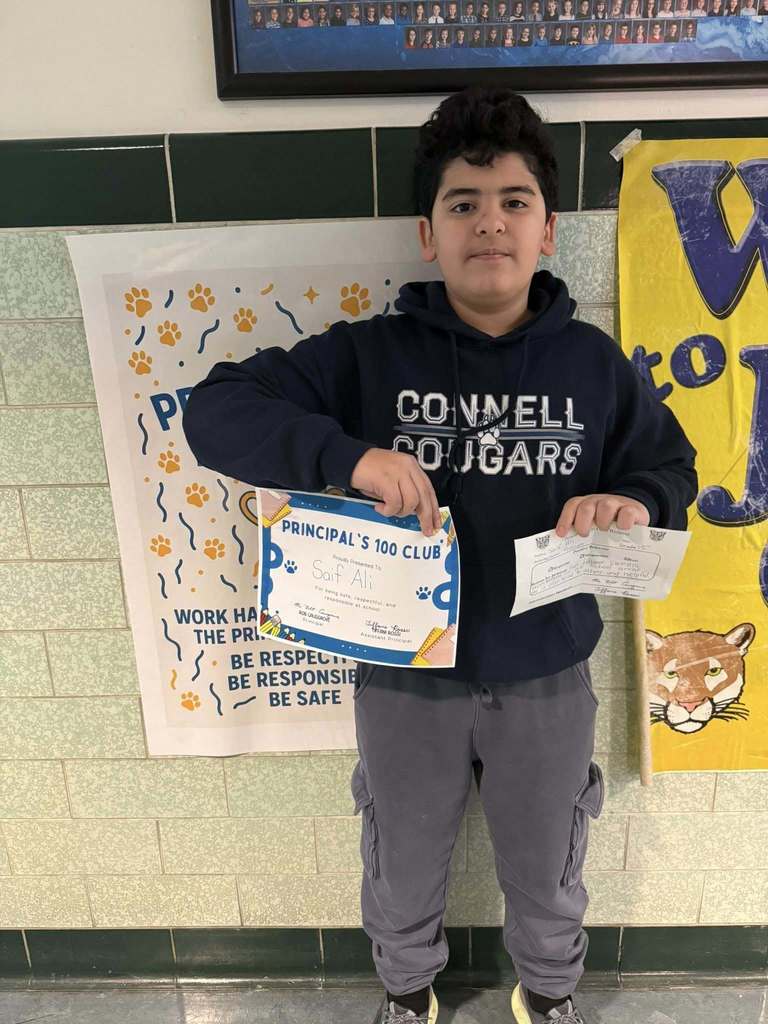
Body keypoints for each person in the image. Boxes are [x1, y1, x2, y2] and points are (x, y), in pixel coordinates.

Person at [182, 86, 698, 1024]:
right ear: (428, 233)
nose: (489, 223)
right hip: (403, 676)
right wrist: (347, 457)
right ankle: (406, 995)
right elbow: (214, 412)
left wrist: (634, 499)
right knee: (402, 853)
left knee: (548, 860)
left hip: (546, 673)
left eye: (514, 202)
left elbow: (672, 466)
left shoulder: (592, 363)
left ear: (548, 231)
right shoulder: (368, 356)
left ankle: (548, 997)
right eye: (463, 204)